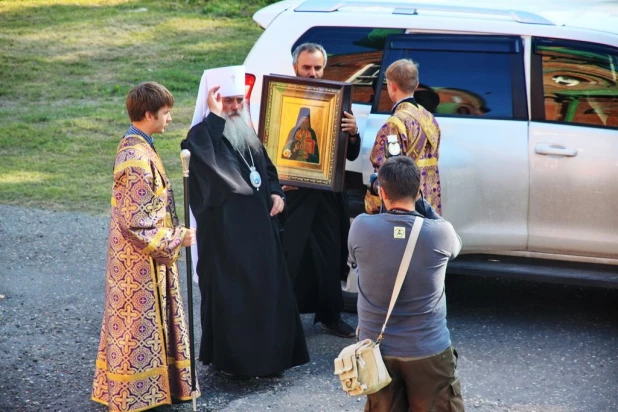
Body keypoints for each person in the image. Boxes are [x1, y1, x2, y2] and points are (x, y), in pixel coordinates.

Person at [181, 67, 310, 379]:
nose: (235, 106)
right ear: (212, 100)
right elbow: (212, 167)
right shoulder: (200, 137)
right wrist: (215, 118)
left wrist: (277, 193)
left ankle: (271, 361)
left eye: (239, 100)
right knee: (237, 300)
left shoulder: (245, 131)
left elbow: (265, 169)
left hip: (262, 235)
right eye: (227, 100)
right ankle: (238, 365)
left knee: (268, 294)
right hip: (228, 241)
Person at [92, 82, 198, 411]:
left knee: (146, 323)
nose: (170, 118)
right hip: (137, 260)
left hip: (142, 258)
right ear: (149, 114)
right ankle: (133, 395)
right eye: (165, 113)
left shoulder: (141, 145)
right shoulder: (135, 158)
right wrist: (178, 237)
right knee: (137, 326)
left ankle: (156, 389)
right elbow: (136, 221)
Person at [349, 156, 464, 412]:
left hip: (376, 352)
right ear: (419, 191)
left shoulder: (360, 227)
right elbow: (456, 243)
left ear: (381, 192)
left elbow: (359, 256)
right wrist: (425, 208)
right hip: (428, 349)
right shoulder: (439, 233)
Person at [281, 42, 360, 338]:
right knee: (291, 258)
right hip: (292, 194)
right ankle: (284, 318)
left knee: (330, 257)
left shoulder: (338, 100)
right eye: (306, 67)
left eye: (317, 68)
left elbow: (350, 155)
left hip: (328, 196)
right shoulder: (282, 99)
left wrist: (353, 133)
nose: (313, 73)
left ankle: (330, 316)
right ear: (295, 68)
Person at [368, 59, 442, 215]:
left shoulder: (395, 123)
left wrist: (372, 203)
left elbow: (387, 170)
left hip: (406, 206)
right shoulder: (430, 118)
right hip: (429, 203)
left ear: (392, 86)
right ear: (416, 85)